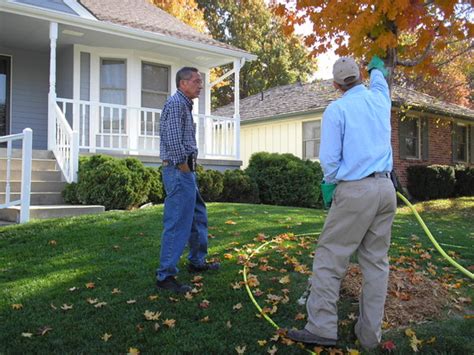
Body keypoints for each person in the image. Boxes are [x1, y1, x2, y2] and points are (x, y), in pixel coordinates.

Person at [287, 56, 397, 350]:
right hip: (386, 189)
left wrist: (330, 183)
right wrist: (375, 68)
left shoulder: (337, 109)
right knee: (376, 263)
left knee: (330, 256)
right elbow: (380, 79)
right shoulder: (380, 98)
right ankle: (369, 336)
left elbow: (330, 160)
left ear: (336, 85)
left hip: (356, 190)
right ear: (361, 76)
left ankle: (322, 327)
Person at [156, 67, 219, 294]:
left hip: (186, 172)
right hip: (179, 171)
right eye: (196, 81)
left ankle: (196, 261)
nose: (200, 85)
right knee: (177, 223)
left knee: (197, 216)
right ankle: (165, 276)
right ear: (183, 83)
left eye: (200, 81)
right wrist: (183, 165)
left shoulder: (184, 104)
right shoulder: (176, 104)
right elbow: (172, 139)